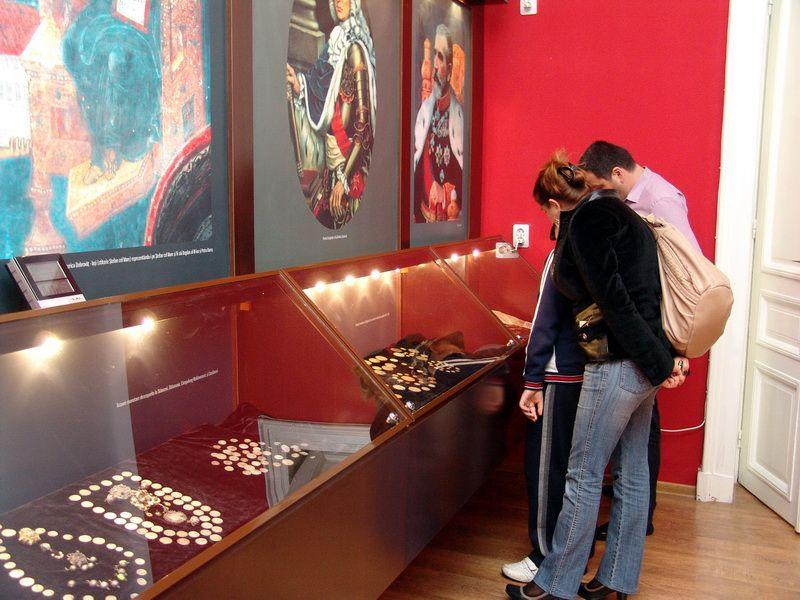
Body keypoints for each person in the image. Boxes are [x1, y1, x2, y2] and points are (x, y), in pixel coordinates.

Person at [506, 150, 688, 600]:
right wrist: (662, 360)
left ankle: (555, 585)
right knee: (633, 474)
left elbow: (614, 303)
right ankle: (615, 581)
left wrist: (657, 361)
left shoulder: (588, 223)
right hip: (644, 365)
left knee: (582, 476)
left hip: (618, 365)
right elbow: (647, 295)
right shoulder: (623, 213)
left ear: (555, 203)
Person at [579, 141, 701, 542]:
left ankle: (639, 514)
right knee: (635, 430)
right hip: (641, 327)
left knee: (643, 430)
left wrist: (674, 349)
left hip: (651, 326)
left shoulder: (660, 200)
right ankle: (629, 507)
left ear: (616, 174)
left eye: (598, 185)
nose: (596, 194)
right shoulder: (628, 202)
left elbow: (687, 271)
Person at [501, 222, 586, 584]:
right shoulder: (599, 246)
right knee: (573, 469)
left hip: (558, 373)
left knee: (545, 468)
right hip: (585, 371)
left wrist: (532, 377)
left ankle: (545, 555)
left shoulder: (563, 254)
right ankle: (573, 552)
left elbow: (545, 320)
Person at [286, 0, 377, 229]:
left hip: (348, 166)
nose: (338, 3)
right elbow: (317, 84)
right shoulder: (334, 42)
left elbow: (364, 123)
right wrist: (297, 84)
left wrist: (343, 179)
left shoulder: (355, 51)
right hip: (330, 164)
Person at [413, 24, 465, 222]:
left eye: (440, 57)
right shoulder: (424, 113)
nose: (434, 65)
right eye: (434, 54)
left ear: (449, 70)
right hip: (424, 213)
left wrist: (448, 191)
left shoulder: (458, 116)